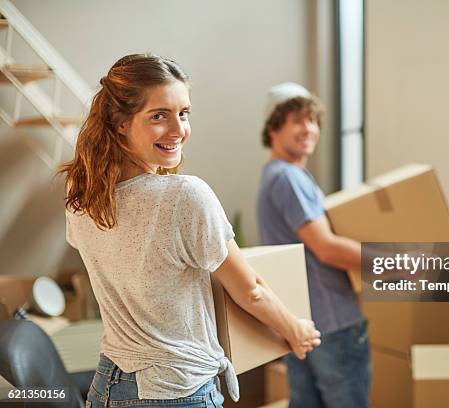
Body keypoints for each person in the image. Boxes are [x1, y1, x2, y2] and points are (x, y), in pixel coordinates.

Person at [59, 55, 320, 408]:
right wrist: (295, 330)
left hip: (107, 385)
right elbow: (251, 291)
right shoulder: (184, 196)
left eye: (183, 113)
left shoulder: (82, 194)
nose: (179, 129)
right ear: (120, 123)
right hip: (175, 390)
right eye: (158, 116)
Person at [257, 83, 370, 408]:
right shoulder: (288, 178)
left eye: (312, 120)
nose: (308, 128)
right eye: (296, 120)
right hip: (332, 321)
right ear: (272, 129)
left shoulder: (273, 176)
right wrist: (391, 263)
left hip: (301, 321)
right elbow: (326, 247)